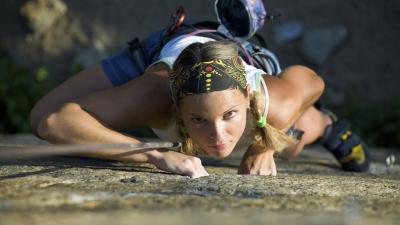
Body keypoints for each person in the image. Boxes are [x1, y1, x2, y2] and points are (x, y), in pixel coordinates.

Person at [29, 1, 370, 178]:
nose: (219, 136)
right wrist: (154, 154)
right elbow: (53, 122)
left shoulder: (271, 102)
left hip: (240, 63)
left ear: (248, 99)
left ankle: (328, 127)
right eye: (198, 119)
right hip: (161, 52)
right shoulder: (153, 96)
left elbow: (312, 81)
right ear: (175, 109)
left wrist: (264, 143)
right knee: (39, 116)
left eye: (229, 115)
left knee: (289, 143)